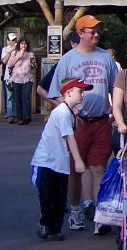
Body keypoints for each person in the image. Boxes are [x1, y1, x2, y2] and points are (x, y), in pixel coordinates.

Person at [48, 15, 119, 235]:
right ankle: (76, 209)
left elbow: (116, 88)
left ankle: (100, 213)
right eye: (92, 31)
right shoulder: (68, 59)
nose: (96, 34)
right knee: (75, 170)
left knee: (99, 168)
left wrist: (115, 110)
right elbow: (53, 93)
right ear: (80, 33)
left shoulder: (105, 57)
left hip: (100, 121)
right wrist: (70, 109)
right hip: (77, 125)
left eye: (98, 31)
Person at [31, 77, 91, 242]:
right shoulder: (63, 112)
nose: (83, 95)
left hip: (60, 163)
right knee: (47, 194)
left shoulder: (70, 112)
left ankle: (54, 229)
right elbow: (69, 137)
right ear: (69, 93)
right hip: (46, 161)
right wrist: (78, 160)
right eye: (80, 91)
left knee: (59, 196)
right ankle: (45, 223)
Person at [37, 31, 80, 110]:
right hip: (69, 114)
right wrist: (62, 105)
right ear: (72, 44)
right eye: (78, 45)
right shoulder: (63, 63)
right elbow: (40, 89)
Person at [6, 37, 37, 125]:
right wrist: (19, 56)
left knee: (26, 97)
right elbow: (10, 64)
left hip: (28, 78)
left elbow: (34, 66)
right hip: (16, 78)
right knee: (17, 98)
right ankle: (19, 117)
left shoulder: (30, 54)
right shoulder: (14, 53)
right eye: (22, 44)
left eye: (25, 44)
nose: (24, 45)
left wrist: (33, 64)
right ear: (19, 45)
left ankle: (26, 116)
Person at [0, 32, 19, 123]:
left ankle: (17, 114)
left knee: (17, 96)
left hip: (18, 76)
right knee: (9, 96)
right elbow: (4, 61)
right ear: (7, 41)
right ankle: (10, 115)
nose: (13, 42)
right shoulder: (5, 49)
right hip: (8, 76)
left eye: (15, 40)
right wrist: (11, 50)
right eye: (11, 40)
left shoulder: (19, 49)